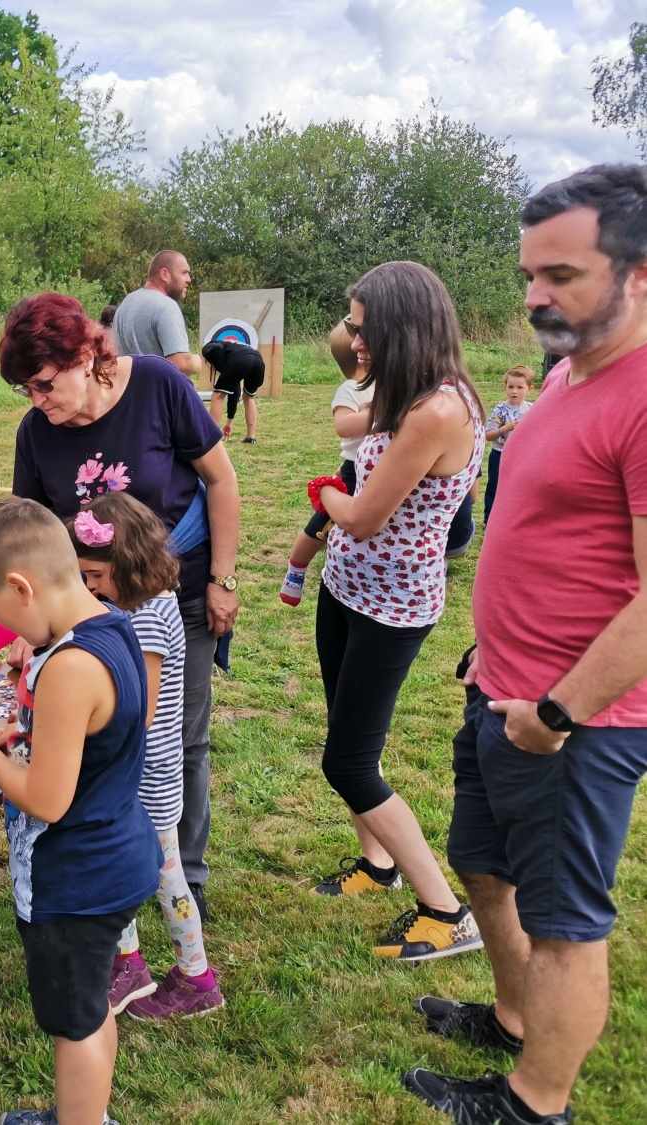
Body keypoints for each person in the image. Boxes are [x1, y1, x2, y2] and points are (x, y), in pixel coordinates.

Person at [404, 165, 647, 1125]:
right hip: (503, 687)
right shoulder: (565, 372)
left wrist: (557, 711)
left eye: (563, 275)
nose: (537, 296)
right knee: (483, 865)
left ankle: (536, 1105)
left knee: (563, 922)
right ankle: (512, 1021)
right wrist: (490, 648)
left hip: (574, 723)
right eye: (530, 275)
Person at [6, 291, 239, 920]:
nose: (37, 400)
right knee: (105, 744)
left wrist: (223, 578)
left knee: (179, 740)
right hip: (90, 618)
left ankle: (185, 874)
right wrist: (34, 627)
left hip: (179, 594)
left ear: (85, 356)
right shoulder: (36, 432)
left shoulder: (159, 385)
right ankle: (122, 871)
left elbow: (221, 479)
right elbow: (34, 536)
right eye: (26, 390)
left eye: (45, 384)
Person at [0, 497, 162, 1125]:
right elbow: (102, 734)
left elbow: (48, 799)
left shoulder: (70, 668)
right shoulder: (112, 625)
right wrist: (28, 739)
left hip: (75, 881)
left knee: (75, 1023)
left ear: (22, 587)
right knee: (91, 1006)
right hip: (116, 856)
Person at [307, 262, 486, 964]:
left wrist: (325, 491)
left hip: (392, 607)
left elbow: (362, 515)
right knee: (351, 737)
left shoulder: (438, 410)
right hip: (347, 589)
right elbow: (359, 430)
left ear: (402, 327)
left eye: (362, 327)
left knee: (348, 763)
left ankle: (446, 912)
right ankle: (377, 863)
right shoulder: (406, 388)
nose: (352, 340)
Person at [68, 493, 225, 1020]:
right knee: (121, 869)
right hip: (130, 772)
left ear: (127, 563)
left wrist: (86, 720)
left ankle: (196, 978)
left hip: (143, 776)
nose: (90, 586)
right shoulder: (136, 604)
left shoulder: (147, 618)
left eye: (96, 575)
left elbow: (143, 709)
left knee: (164, 878)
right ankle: (128, 963)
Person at [280, 320, 372, 606]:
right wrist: (379, 412)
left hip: (382, 468)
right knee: (322, 525)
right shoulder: (351, 388)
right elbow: (343, 426)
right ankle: (296, 570)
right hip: (354, 471)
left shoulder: (390, 386)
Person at [110, 251, 204, 379]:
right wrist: (197, 361)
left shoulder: (126, 304)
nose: (189, 279)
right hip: (158, 391)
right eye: (184, 272)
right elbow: (180, 363)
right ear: (164, 274)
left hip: (128, 390)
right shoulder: (166, 306)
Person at [482, 365, 535, 523]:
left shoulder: (532, 410)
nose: (514, 391)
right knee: (495, 487)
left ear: (530, 389)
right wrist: (505, 428)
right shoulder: (500, 409)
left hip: (522, 456)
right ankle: (489, 520)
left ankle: (514, 519)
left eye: (520, 387)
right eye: (511, 387)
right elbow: (488, 435)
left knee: (520, 488)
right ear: (505, 387)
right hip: (499, 455)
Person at [202, 337, 265, 443]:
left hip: (241, 360)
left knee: (217, 396)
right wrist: (229, 422)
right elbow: (234, 389)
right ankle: (251, 437)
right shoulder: (233, 346)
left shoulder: (209, 347)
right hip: (258, 361)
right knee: (249, 397)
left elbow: (216, 349)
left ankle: (211, 436)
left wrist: (219, 365)